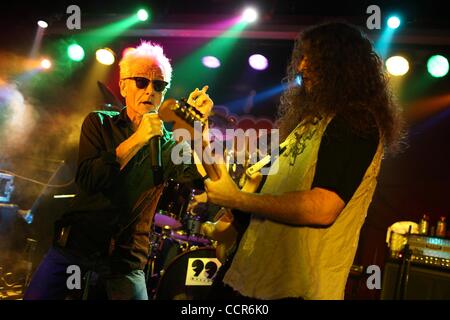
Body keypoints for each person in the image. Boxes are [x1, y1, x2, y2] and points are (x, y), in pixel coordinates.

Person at [201, 22, 403, 300]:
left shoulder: (355, 121)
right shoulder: (308, 123)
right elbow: (269, 195)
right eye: (302, 57)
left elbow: (323, 208)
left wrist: (236, 199)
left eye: (313, 58)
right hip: (250, 277)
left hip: (296, 291)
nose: (301, 67)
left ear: (340, 65)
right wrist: (231, 208)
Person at [24, 41, 213, 300]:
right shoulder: (98, 123)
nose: (150, 91)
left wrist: (201, 126)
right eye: (141, 82)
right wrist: (138, 139)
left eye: (158, 85)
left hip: (125, 261)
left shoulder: (169, 146)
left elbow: (205, 181)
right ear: (123, 85)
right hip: (76, 249)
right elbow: (90, 179)